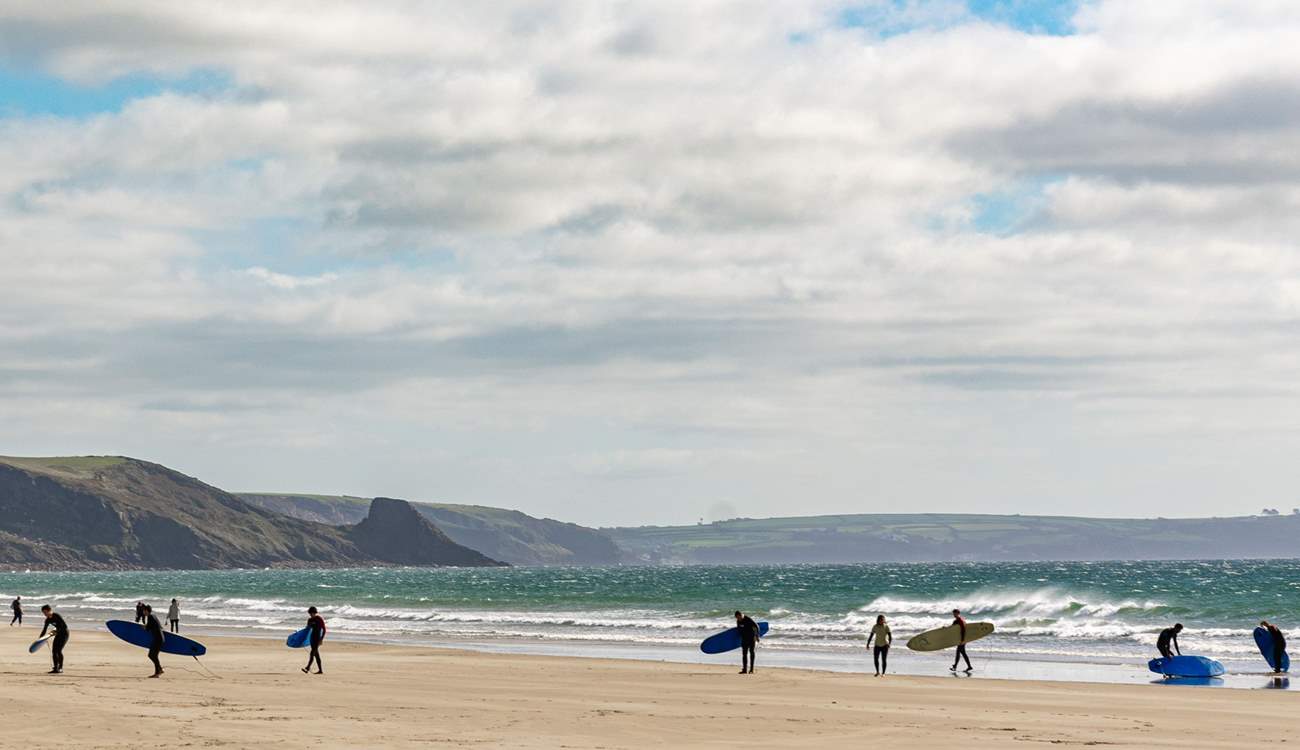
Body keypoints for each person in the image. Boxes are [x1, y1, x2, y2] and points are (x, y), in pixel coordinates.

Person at [39, 605, 68, 674]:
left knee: (58, 650)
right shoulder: (48, 620)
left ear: (49, 610)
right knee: (54, 651)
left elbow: (64, 626)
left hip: (64, 634)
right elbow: (44, 630)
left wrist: (55, 632)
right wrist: (40, 639)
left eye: (45, 612)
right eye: (43, 613)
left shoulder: (56, 616)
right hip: (58, 634)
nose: (45, 614)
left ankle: (60, 668)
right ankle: (56, 668)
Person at [734, 610, 760, 675]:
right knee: (744, 654)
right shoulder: (738, 621)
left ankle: (751, 669)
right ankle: (744, 669)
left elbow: (756, 626)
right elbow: (739, 629)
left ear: (741, 615)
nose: (738, 619)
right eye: (737, 618)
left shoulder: (748, 619)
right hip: (744, 639)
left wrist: (757, 636)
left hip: (751, 638)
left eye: (738, 617)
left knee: (751, 652)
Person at [142, 604, 165, 678]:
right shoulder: (154, 616)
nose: (143, 612)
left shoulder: (150, 617)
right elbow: (158, 626)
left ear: (146, 611)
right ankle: (159, 670)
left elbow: (148, 628)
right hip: (160, 638)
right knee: (154, 655)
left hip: (158, 639)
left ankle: (158, 672)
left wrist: (144, 627)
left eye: (144, 610)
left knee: (152, 655)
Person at [303, 606, 326, 675]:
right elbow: (307, 629)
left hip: (317, 638)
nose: (310, 615)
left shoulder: (319, 619)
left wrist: (321, 639)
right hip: (312, 638)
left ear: (314, 612)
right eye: (310, 613)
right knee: (316, 654)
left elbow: (324, 629)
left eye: (312, 613)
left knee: (312, 653)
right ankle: (320, 670)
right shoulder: (309, 620)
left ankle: (307, 667)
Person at [950, 608, 973, 673]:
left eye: (955, 613)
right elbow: (952, 629)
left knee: (958, 653)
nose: (954, 614)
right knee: (963, 653)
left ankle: (955, 666)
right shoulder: (956, 621)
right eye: (953, 613)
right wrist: (945, 628)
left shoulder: (960, 620)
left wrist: (962, 640)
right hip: (960, 639)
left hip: (962, 640)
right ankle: (969, 666)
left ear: (958, 613)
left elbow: (963, 630)